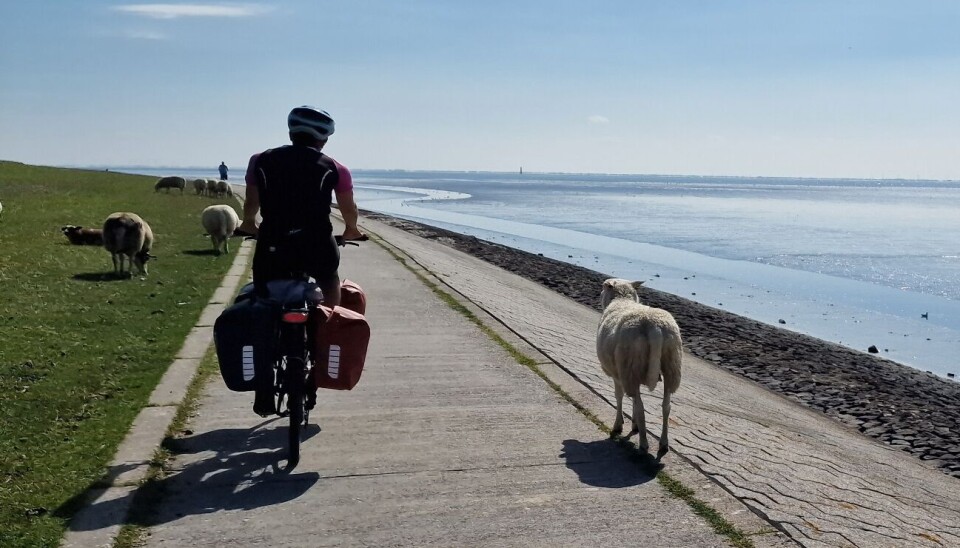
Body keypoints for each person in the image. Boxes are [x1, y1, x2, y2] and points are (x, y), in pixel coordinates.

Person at [238, 105, 366, 310]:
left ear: (291, 133)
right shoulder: (336, 168)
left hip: (273, 239)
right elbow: (349, 209)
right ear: (323, 139)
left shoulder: (260, 160)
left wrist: (248, 223)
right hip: (317, 242)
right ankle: (330, 322)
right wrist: (352, 229)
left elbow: (251, 201)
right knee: (329, 280)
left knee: (262, 292)